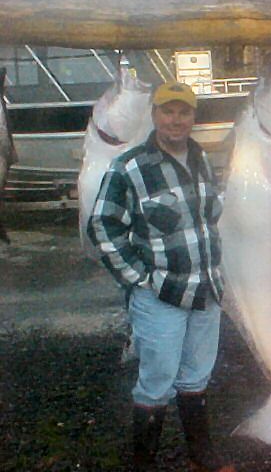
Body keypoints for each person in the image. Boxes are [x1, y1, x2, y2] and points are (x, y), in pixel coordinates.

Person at [87, 82, 224, 472]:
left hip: (206, 290)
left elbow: (209, 219)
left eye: (184, 112)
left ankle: (201, 454)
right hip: (159, 295)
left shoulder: (201, 159)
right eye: (168, 111)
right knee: (157, 380)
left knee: (197, 376)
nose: (176, 120)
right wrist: (138, 277)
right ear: (155, 115)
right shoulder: (129, 166)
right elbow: (102, 224)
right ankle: (143, 461)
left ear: (193, 117)